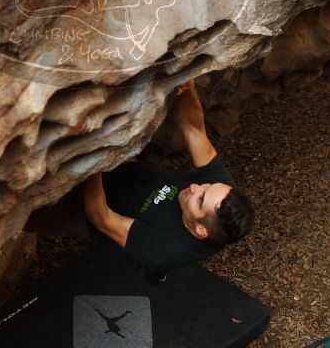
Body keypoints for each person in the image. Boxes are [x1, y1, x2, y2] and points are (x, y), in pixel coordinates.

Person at [24, 80, 253, 276]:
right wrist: (187, 85)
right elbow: (192, 127)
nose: (195, 186)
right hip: (122, 173)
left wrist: (93, 162)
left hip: (78, 209)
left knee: (24, 213)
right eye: (206, 185)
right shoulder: (222, 194)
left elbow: (102, 217)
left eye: (200, 199)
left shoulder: (166, 249)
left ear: (201, 230)